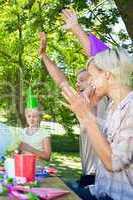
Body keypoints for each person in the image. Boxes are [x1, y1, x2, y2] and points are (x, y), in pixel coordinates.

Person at [39, 31, 133, 199]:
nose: (90, 82)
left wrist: (87, 118)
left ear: (106, 75)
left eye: (92, 76)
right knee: (46, 188)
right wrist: (43, 55)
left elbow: (113, 163)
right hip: (99, 190)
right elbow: (63, 83)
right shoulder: (113, 105)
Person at [62, 9, 110, 187]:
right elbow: (61, 81)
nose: (77, 84)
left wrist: (77, 30)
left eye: (84, 78)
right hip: (88, 175)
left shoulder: (106, 97)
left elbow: (101, 61)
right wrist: (43, 56)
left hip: (100, 176)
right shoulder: (84, 101)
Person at [18, 89, 51, 162]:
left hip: (37, 170)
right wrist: (17, 149)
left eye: (35, 116)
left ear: (40, 117)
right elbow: (19, 153)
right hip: (22, 167)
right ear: (26, 117)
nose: (31, 119)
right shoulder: (22, 132)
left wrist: (29, 148)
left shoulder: (44, 133)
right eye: (29, 116)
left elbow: (47, 156)